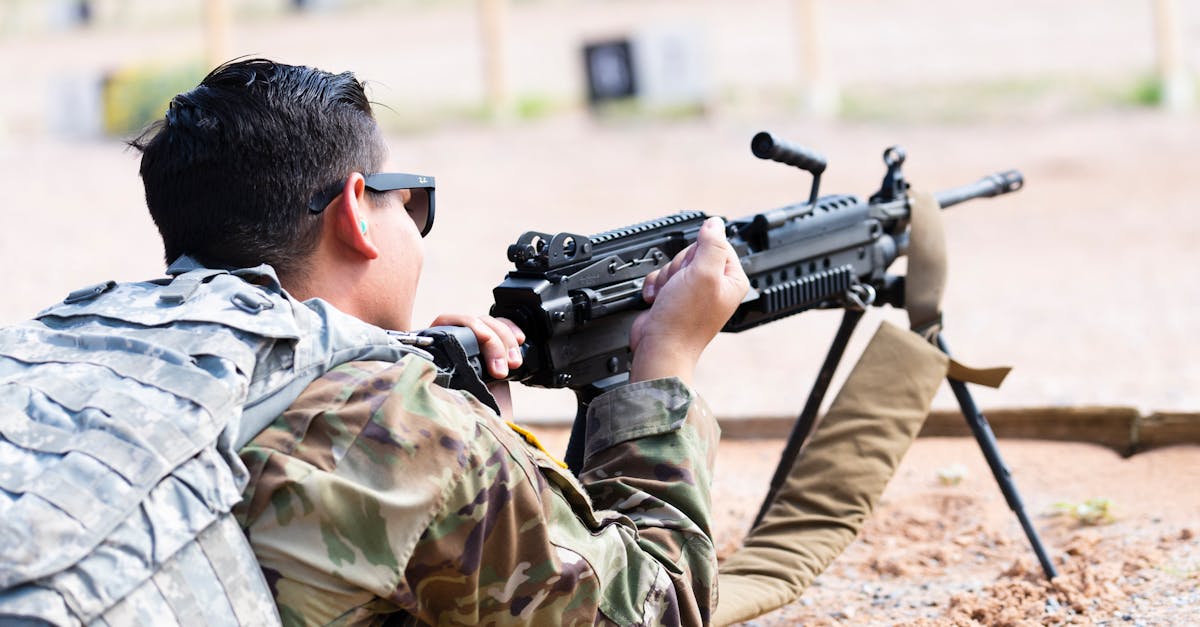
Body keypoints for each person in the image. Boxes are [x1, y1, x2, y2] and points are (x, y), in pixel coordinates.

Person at [1, 58, 955, 626]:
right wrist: (663, 372)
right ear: (358, 217)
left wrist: (458, 413)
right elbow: (654, 608)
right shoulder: (403, 427)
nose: (417, 223)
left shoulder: (75, 340)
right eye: (410, 200)